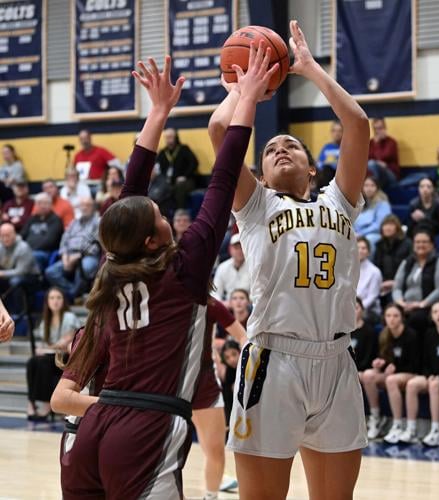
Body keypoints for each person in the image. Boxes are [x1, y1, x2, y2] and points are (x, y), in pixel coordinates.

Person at [50, 49, 276, 499]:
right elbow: (224, 175)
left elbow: (129, 195)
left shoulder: (112, 268)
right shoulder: (185, 269)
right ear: (153, 239)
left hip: (92, 427)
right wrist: (246, 97)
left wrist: (158, 113)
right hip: (146, 428)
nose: (164, 210)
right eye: (159, 213)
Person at [208, 20, 369, 500]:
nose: (279, 148)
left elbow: (357, 124)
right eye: (271, 148)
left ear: (312, 166)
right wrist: (245, 90)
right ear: (259, 171)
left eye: (290, 146)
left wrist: (312, 70)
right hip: (273, 362)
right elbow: (220, 129)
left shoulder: (339, 201)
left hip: (337, 361)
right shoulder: (256, 206)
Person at [192, 296, 246, 500]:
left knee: (215, 451)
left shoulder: (210, 303)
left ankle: (211, 495)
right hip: (167, 381)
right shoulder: (162, 296)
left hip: (204, 381)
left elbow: (242, 336)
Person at [361, 304, 419, 441]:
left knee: (391, 380)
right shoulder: (384, 334)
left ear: (402, 318)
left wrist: (394, 368)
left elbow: (415, 364)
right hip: (393, 374)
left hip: (411, 373)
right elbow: (384, 358)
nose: (391, 319)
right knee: (368, 375)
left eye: (395, 316)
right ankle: (375, 418)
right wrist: (379, 363)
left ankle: (397, 424)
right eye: (388, 316)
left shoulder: (410, 335)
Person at [400, 301, 439, 447]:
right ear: (431, 316)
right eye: (435, 312)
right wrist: (429, 375)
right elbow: (425, 361)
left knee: (434, 386)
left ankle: (436, 431)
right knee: (412, 384)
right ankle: (411, 429)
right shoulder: (429, 334)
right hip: (432, 376)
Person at [27, 287, 80, 422]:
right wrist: (45, 349)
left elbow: (65, 343)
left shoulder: (69, 317)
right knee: (32, 361)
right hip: (52, 357)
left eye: (58, 298)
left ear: (63, 301)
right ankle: (32, 402)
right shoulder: (45, 321)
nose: (55, 301)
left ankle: (46, 404)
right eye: (52, 298)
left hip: (66, 358)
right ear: (47, 302)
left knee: (43, 361)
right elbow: (50, 345)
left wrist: (45, 349)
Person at [393, 228, 439, 337]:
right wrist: (401, 302)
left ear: (432, 244)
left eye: (424, 242)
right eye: (417, 242)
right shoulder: (407, 262)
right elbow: (397, 287)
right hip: (405, 305)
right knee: (391, 315)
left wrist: (421, 304)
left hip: (429, 306)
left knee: (417, 319)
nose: (420, 245)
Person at [45, 198, 100, 301]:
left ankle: (74, 294)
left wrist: (78, 256)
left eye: (88, 205)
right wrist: (65, 255)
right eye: (82, 205)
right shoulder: (74, 222)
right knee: (50, 272)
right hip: (69, 255)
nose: (84, 208)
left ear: (93, 207)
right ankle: (73, 293)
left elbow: (96, 244)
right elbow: (64, 239)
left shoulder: (98, 222)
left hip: (88, 256)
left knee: (85, 267)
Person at [0, 223, 41, 314]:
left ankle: (19, 313)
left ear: (14, 234)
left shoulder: (23, 248)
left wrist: (2, 273)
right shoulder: (0, 247)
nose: (5, 239)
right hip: (9, 274)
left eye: (8, 235)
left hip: (31, 276)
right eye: (2, 236)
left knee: (15, 281)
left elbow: (21, 271)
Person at [156, 127, 199, 209]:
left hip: (186, 180)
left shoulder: (184, 149)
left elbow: (194, 163)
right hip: (168, 181)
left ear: (176, 137)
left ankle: (180, 211)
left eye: (171, 137)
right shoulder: (162, 152)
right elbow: (158, 168)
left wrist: (185, 176)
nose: (169, 139)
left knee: (180, 186)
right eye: (167, 137)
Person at [373, 214, 412, 304]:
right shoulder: (379, 245)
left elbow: (410, 267)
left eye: (391, 225)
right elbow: (376, 266)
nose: (387, 228)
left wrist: (395, 282)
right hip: (383, 284)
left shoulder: (407, 244)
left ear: (397, 227)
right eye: (385, 225)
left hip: (402, 284)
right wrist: (381, 282)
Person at [21, 193, 64, 271]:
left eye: (45, 203)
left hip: (45, 252)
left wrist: (28, 250)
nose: (42, 206)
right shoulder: (32, 219)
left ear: (51, 205)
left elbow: (50, 241)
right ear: (35, 205)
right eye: (39, 203)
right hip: (27, 250)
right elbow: (23, 235)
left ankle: (37, 279)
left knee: (33, 256)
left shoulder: (55, 220)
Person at [354, 176, 391, 252]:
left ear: (377, 188)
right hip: (357, 234)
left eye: (372, 185)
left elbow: (379, 225)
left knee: (367, 241)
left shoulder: (383, 203)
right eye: (366, 185)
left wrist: (361, 234)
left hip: (375, 234)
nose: (369, 188)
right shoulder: (359, 202)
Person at [212, 233, 250, 305]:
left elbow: (258, 292)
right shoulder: (222, 267)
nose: (239, 251)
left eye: (242, 247)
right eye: (236, 248)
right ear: (230, 249)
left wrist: (246, 303)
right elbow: (215, 293)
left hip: (248, 306)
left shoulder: (253, 266)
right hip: (228, 306)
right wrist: (223, 304)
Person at [367, 117, 399, 189]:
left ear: (385, 128)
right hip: (374, 173)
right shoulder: (370, 143)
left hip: (390, 173)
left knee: (372, 164)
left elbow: (384, 156)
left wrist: (378, 143)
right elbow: (366, 159)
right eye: (376, 129)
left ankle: (376, 188)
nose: (378, 131)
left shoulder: (391, 142)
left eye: (380, 128)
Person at [356, 237, 382, 321]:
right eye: (357, 247)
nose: (360, 250)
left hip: (369, 310)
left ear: (368, 252)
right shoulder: (346, 269)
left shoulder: (374, 271)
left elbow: (373, 296)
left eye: (363, 248)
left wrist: (358, 309)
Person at [350, 297, 378, 378]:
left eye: (356, 308)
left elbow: (369, 358)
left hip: (362, 370)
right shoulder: (342, 331)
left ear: (362, 309)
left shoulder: (369, 332)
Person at [316, 120, 343, 187]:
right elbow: (319, 163)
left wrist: (332, 164)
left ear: (343, 132)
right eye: (334, 131)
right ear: (331, 132)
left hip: (340, 174)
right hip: (327, 173)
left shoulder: (346, 147)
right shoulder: (327, 147)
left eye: (339, 131)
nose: (337, 133)